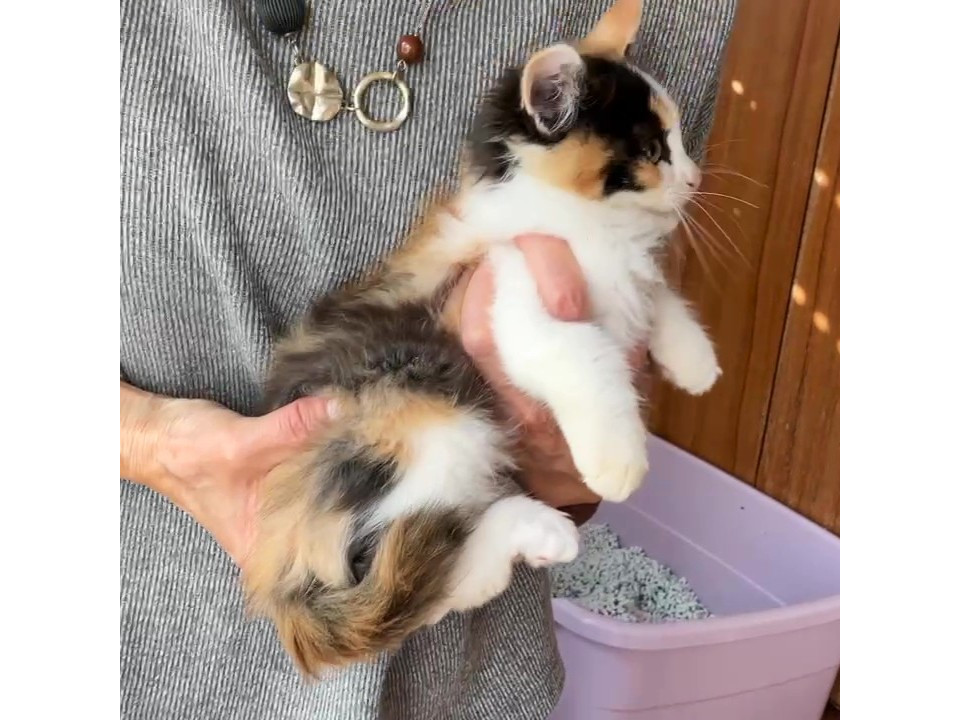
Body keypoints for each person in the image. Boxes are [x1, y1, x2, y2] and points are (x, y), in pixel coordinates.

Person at [120, 0, 735, 717]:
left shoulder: (667, 21)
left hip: (466, 678)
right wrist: (154, 443)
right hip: (155, 655)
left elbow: (583, 471)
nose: (693, 173)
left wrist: (558, 457)